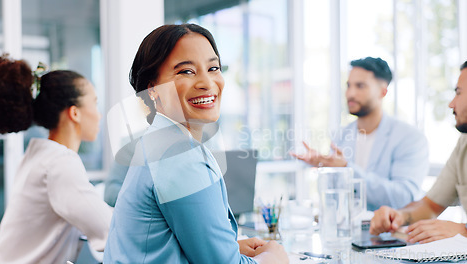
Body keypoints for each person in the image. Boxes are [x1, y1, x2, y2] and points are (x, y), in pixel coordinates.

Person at [103, 24, 288, 264]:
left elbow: (161, 241)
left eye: (213, 68)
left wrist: (231, 247)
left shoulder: (160, 141)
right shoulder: (177, 155)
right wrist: (274, 258)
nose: (206, 82)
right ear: (153, 90)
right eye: (186, 72)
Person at [0, 54, 113, 263]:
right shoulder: (58, 163)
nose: (99, 115)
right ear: (75, 113)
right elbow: (109, 228)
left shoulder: (41, 156)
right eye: (94, 103)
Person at [291, 57, 429, 211]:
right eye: (348, 86)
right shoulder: (342, 136)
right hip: (346, 230)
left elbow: (403, 197)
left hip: (391, 233)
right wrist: (325, 168)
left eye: (360, 86)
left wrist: (347, 169)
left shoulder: (410, 138)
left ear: (383, 92)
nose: (350, 93)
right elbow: (332, 199)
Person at [370, 61, 467, 244]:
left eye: (458, 92)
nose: (451, 103)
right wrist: (399, 215)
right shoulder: (464, 144)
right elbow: (429, 205)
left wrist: (463, 231)